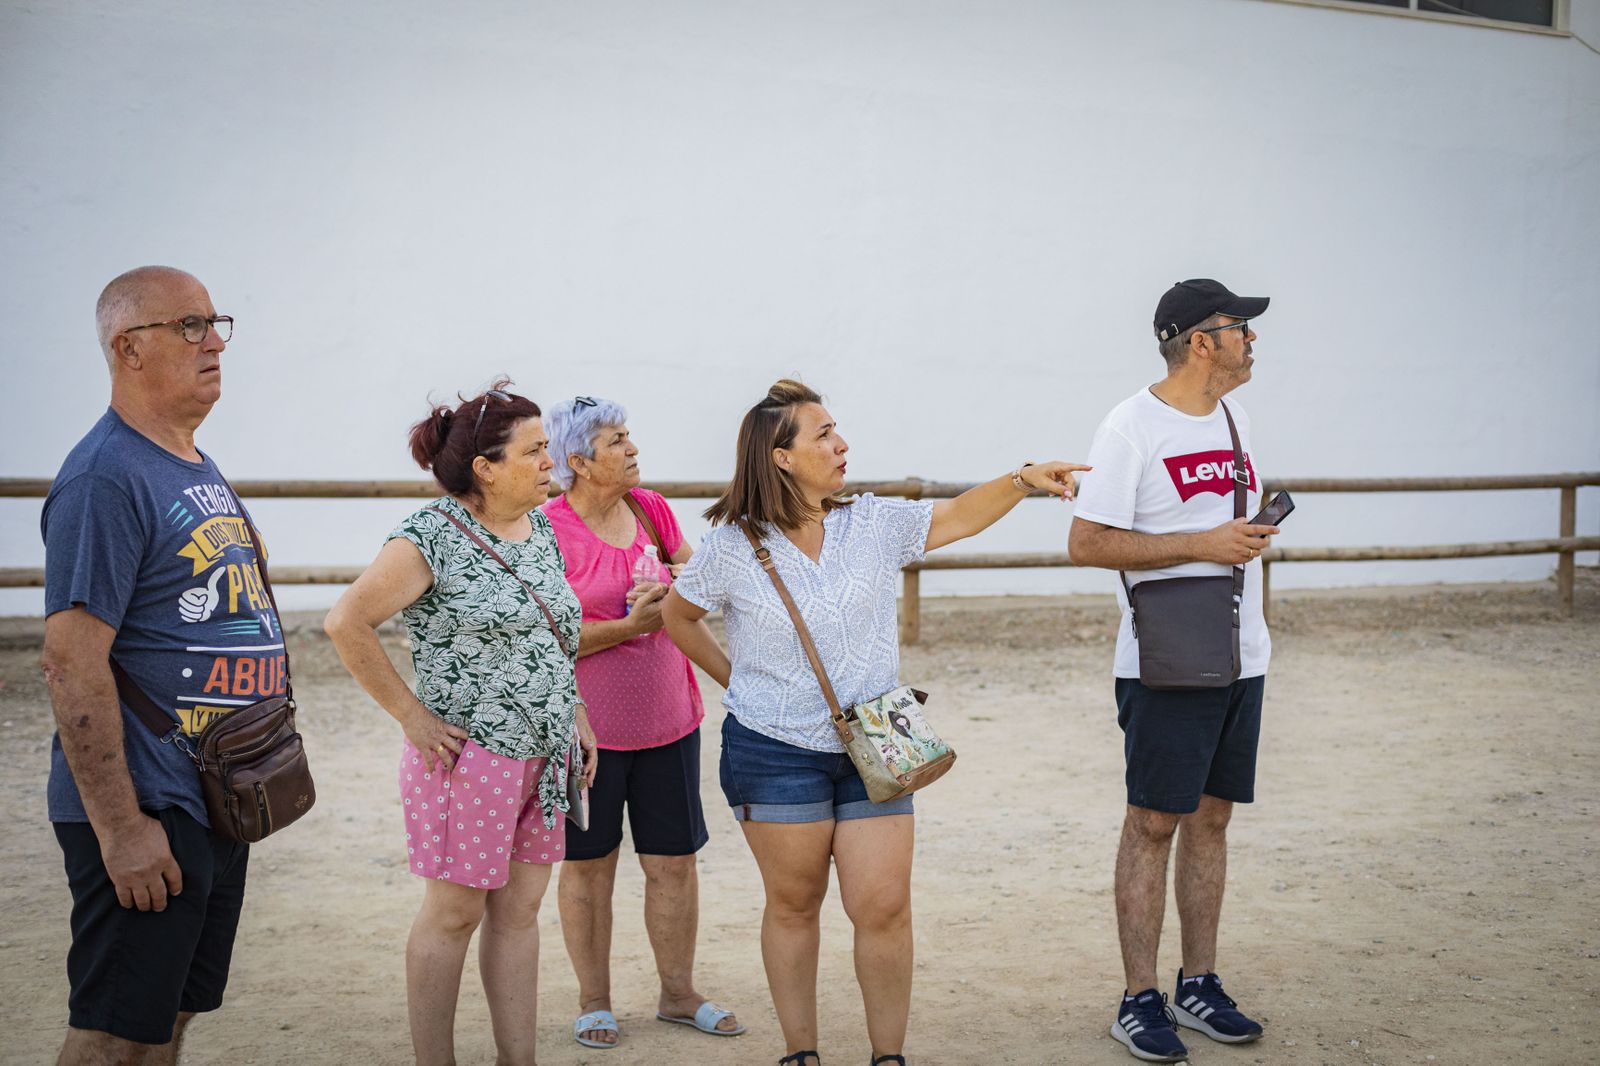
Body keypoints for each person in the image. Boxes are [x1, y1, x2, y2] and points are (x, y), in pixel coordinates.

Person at [661, 379, 1088, 1066]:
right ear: (780, 457)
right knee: (795, 905)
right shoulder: (730, 547)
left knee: (883, 907)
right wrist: (735, 681)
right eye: (824, 433)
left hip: (880, 741)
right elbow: (676, 616)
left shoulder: (873, 522)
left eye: (838, 429)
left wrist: (1022, 480)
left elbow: (957, 519)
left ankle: (888, 1056)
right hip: (773, 750)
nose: (842, 443)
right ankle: (802, 1052)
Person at [323, 383, 598, 1066]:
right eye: (534, 451)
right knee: (454, 915)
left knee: (518, 916)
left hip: (547, 751)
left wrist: (578, 712)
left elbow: (551, 631)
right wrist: (410, 716)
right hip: (468, 758)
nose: (550, 461)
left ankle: (518, 1059)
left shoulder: (542, 529)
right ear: (486, 466)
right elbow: (346, 622)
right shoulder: (429, 537)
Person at [39, 266, 269, 1065]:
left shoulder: (188, 461)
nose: (214, 343)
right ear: (128, 348)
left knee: (169, 1018)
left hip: (214, 794)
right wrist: (122, 830)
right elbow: (70, 664)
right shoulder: (107, 476)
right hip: (150, 805)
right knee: (110, 1036)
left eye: (216, 324)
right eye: (189, 326)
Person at [1068, 279, 1280, 1062]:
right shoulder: (1130, 428)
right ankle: (1138, 998)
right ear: (1200, 340)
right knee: (1153, 823)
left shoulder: (1235, 418)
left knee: (1213, 818)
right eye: (1239, 328)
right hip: (1164, 662)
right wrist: (1202, 544)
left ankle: (1199, 983)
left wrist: (1244, 538)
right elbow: (1087, 543)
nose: (1252, 340)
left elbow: (1231, 530)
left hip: (1241, 654)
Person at [541, 396, 744, 1049]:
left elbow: (695, 575)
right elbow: (541, 641)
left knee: (675, 863)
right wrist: (630, 626)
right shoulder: (546, 529)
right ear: (578, 461)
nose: (632, 448)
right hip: (586, 735)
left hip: (671, 719)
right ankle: (594, 1001)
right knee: (589, 866)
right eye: (617, 440)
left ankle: (678, 994)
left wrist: (676, 589)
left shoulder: (650, 508)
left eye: (630, 436)